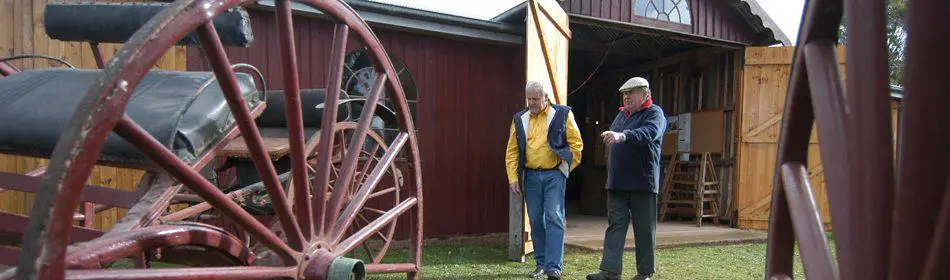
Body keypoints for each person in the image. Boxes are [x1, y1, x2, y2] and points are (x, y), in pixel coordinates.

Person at [587, 77, 666, 280]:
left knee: (644, 229)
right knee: (615, 225)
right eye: (624, 93)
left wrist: (622, 136)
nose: (627, 97)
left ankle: (645, 274)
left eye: (632, 92)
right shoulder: (621, 115)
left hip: (642, 182)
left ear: (645, 94)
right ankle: (609, 272)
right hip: (617, 182)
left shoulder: (654, 113)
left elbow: (648, 133)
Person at [506, 81, 583, 279]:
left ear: (546, 98)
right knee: (535, 221)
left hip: (554, 175)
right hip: (530, 176)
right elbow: (512, 151)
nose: (531, 102)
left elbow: (576, 144)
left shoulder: (562, 113)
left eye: (535, 99)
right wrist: (513, 177)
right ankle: (540, 264)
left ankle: (553, 268)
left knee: (554, 217)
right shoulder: (519, 119)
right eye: (529, 98)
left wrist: (564, 169)